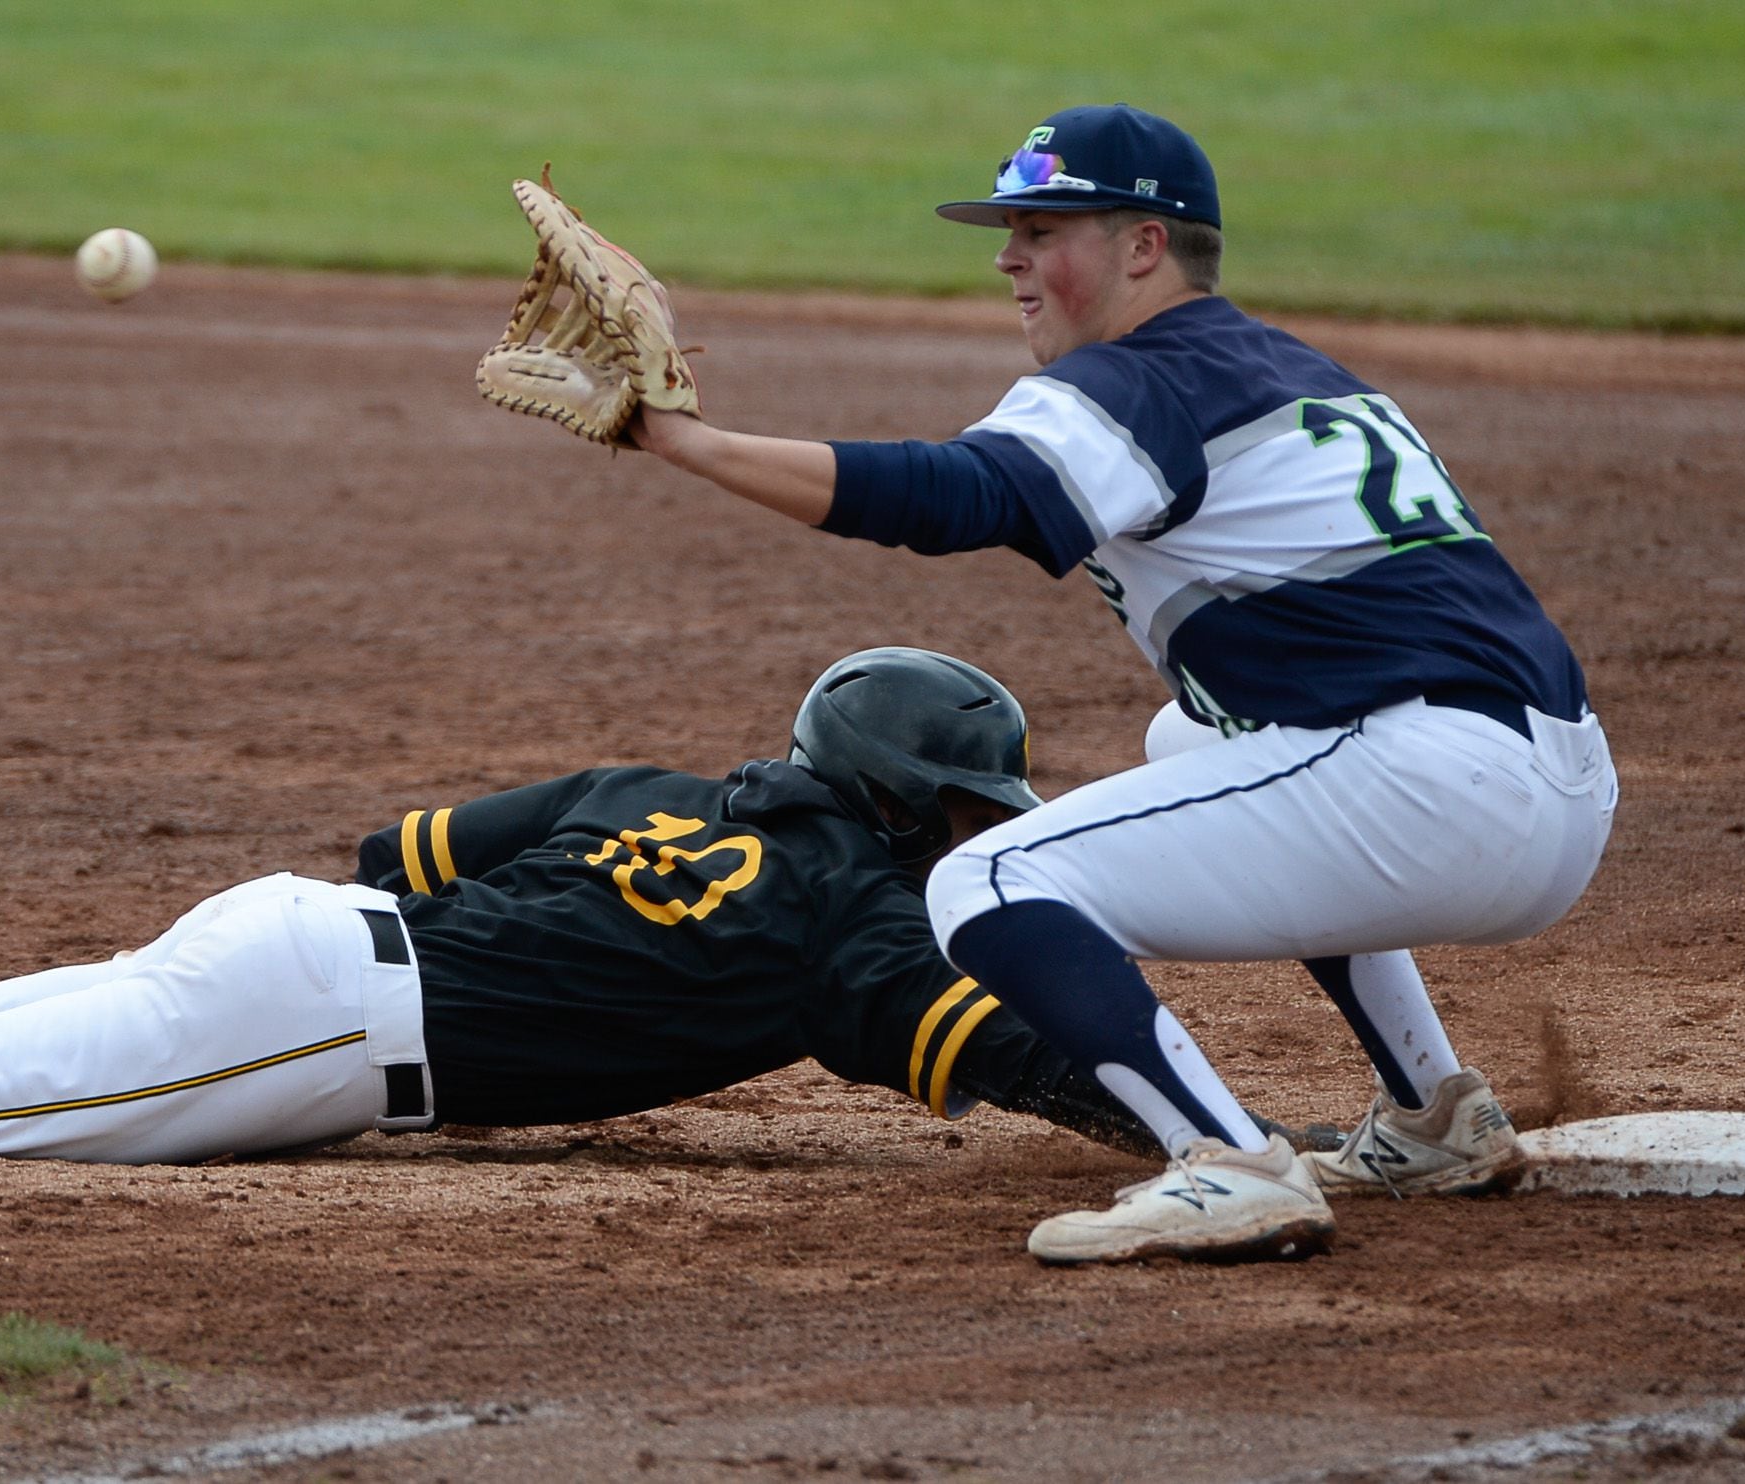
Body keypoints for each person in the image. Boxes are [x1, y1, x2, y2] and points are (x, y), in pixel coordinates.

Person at [622, 104, 1617, 1264]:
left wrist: (692, 442)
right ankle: (1432, 1111)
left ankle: (1226, 1160)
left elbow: (955, 498)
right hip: (1547, 788)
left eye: (1042, 227)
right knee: (1188, 739)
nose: (1007, 256)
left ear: (1143, 246)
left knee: (986, 879)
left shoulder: (1132, 380)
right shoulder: (1285, 364)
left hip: (1431, 795)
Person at [0, 648, 1252, 1167]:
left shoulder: (669, 790)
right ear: (929, 812)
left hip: (289, 934)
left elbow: (406, 849)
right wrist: (1199, 1127)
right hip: (317, 1029)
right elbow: (1015, 1060)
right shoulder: (863, 935)